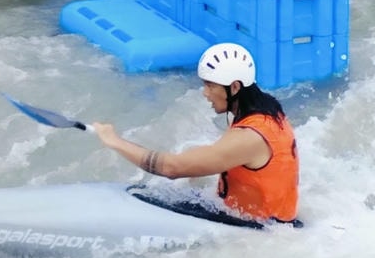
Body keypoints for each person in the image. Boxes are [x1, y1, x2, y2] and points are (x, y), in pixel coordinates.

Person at [92, 42, 299, 224]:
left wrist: (114, 141)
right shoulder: (267, 111)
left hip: (261, 230)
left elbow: (170, 168)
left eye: (210, 85)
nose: (205, 93)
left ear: (235, 87)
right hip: (262, 219)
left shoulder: (250, 137)